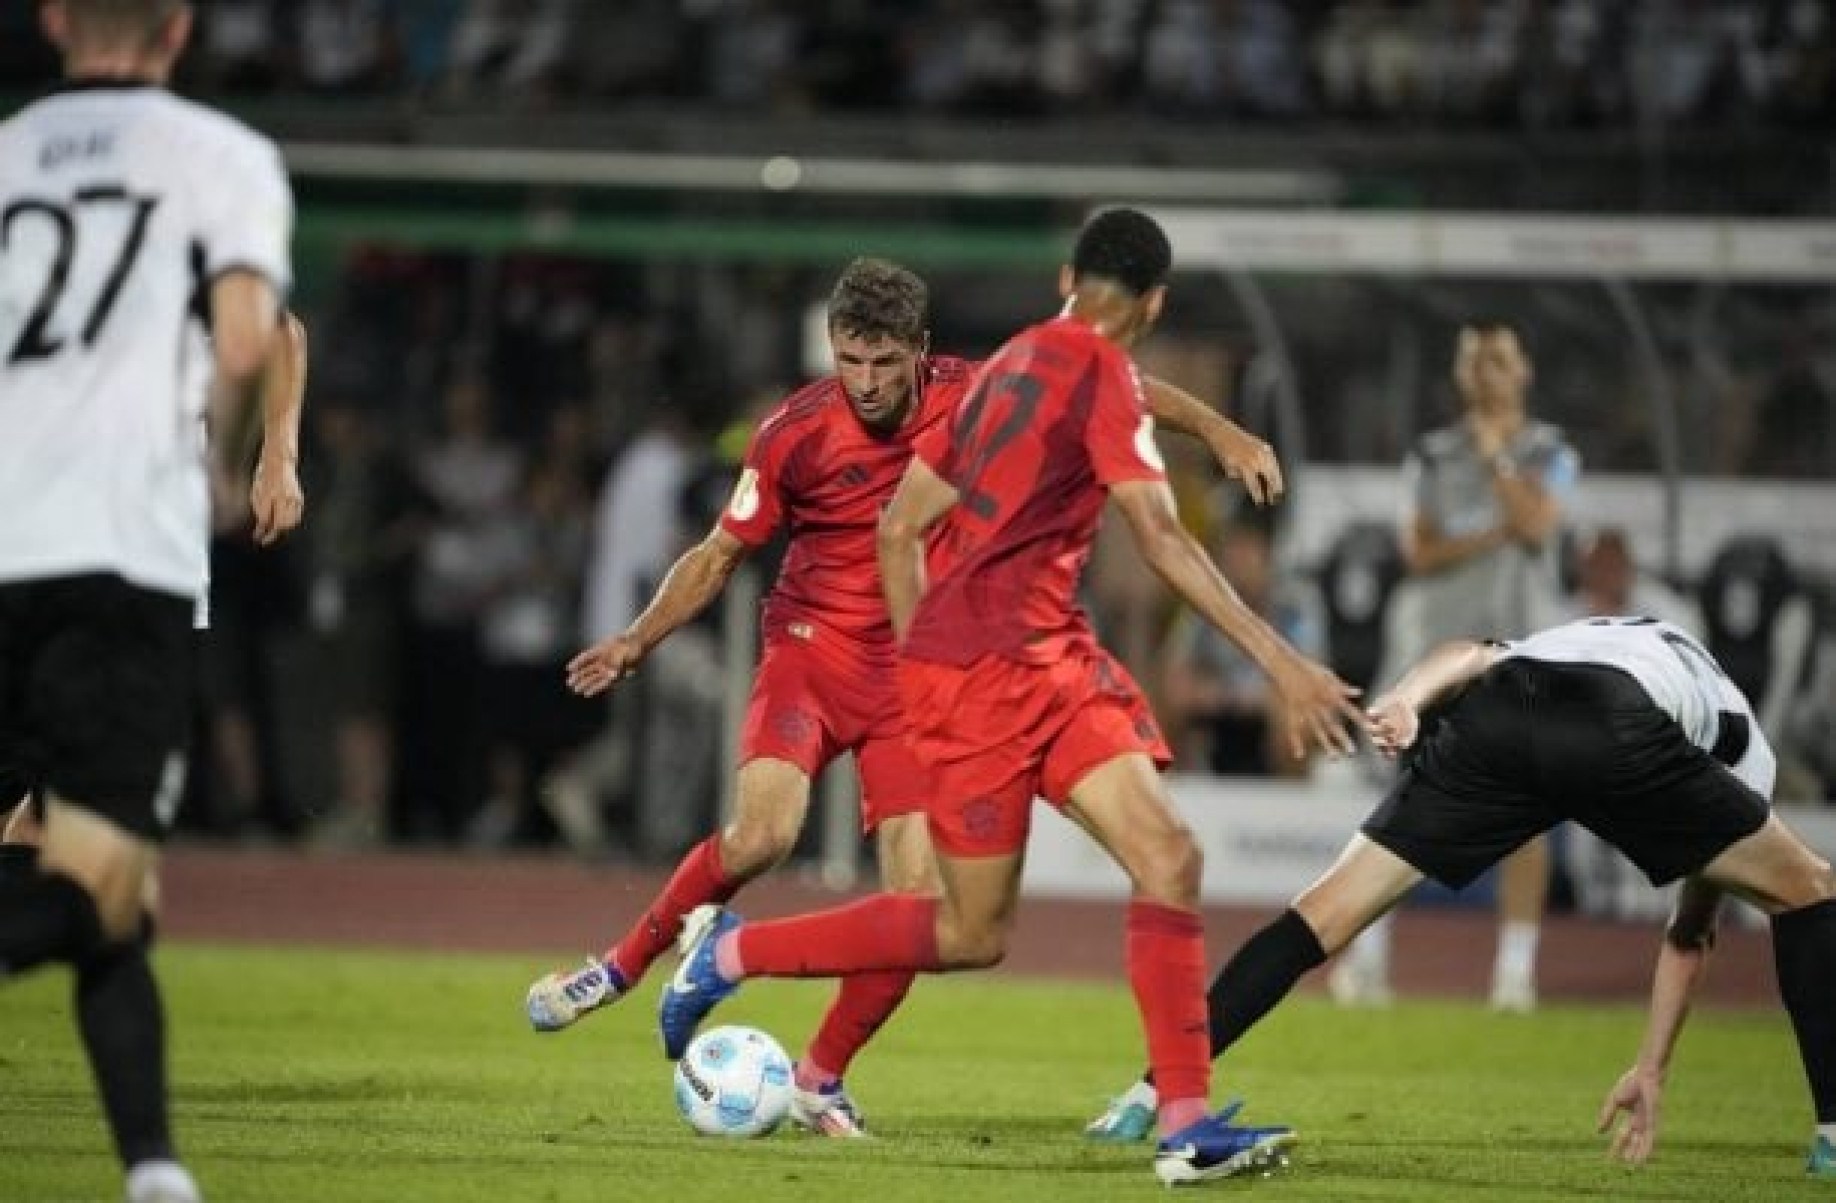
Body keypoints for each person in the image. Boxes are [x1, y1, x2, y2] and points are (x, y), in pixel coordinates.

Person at [643, 209, 1363, 1185]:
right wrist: (1284, 662)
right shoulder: (1076, 374)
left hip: (1048, 662)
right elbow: (1159, 539)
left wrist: (915, 658)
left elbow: (902, 525)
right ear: (1154, 303)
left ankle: (1185, 1127)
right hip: (989, 674)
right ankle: (732, 953)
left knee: (1168, 855)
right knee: (966, 934)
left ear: (1069, 277)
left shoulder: (1021, 362)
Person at [1086, 615, 1836, 1181]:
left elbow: (1472, 654)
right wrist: (1653, 1066)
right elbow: (1689, 934)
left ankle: (1151, 1094)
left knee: (1320, 915)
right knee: (1812, 889)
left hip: (1502, 711)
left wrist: (1408, 699)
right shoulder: (1749, 753)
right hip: (1621, 725)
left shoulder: (1582, 634)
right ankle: (1834, 1132)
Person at [0, 4, 295, 1202]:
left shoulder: (9, 152)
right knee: (102, 884)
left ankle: (156, 1172)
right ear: (179, 26)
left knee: (102, 893)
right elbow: (249, 336)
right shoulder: (219, 157)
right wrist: (232, 465)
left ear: (55, 18)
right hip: (122, 550)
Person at [1332, 322, 1579, 1013]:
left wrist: (1502, 463)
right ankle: (1367, 956)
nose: (1486, 372)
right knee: (1406, 798)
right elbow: (1419, 553)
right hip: (1432, 649)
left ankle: (1514, 973)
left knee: (1527, 810)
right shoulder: (1431, 454)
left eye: (1498, 358)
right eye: (1473, 360)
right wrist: (1500, 521)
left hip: (1518, 650)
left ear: (1523, 369)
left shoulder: (1553, 452)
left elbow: (1538, 528)